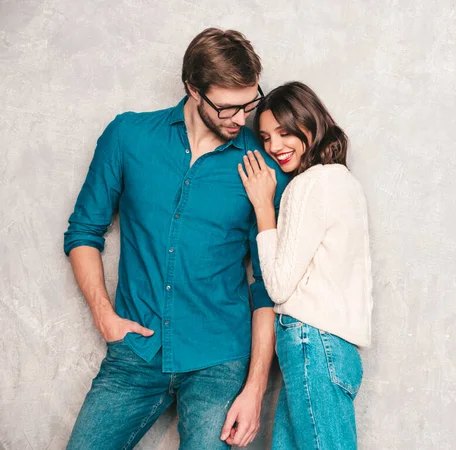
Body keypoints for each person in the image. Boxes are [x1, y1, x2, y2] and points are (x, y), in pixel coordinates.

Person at [64, 28, 289, 449]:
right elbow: (83, 231)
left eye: (250, 103)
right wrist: (104, 316)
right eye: (227, 108)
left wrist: (255, 389)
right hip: (136, 354)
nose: (242, 119)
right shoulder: (128, 136)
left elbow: (267, 285)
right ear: (193, 89)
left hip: (219, 360)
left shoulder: (263, 168)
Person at [237, 81, 373, 450]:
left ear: (309, 124)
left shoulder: (308, 185)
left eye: (284, 132)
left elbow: (277, 286)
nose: (274, 147)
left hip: (312, 343)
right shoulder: (343, 181)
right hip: (335, 349)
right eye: (265, 138)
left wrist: (264, 207)